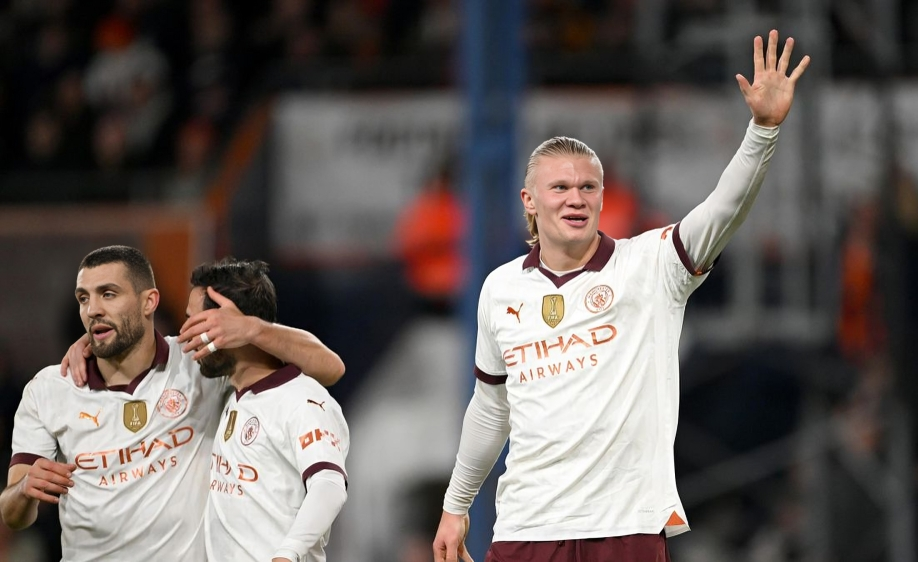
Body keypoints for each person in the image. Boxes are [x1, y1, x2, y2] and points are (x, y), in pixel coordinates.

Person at [432, 30, 810, 562]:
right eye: (560, 188)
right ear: (530, 201)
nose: (576, 198)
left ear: (603, 198)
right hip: (525, 528)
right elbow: (491, 410)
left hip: (625, 527)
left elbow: (723, 211)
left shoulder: (650, 265)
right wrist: (456, 505)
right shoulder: (500, 288)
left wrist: (762, 131)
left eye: (588, 187)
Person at [0, 245, 344, 560]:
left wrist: (253, 328)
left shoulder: (199, 362)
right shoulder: (49, 389)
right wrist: (24, 491)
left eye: (108, 294)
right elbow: (12, 515)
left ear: (149, 301)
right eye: (84, 298)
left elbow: (329, 368)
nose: (93, 309)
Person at [188, 258, 349, 562]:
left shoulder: (302, 400)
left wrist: (286, 555)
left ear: (229, 326)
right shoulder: (228, 393)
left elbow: (328, 484)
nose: (187, 333)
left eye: (197, 322)